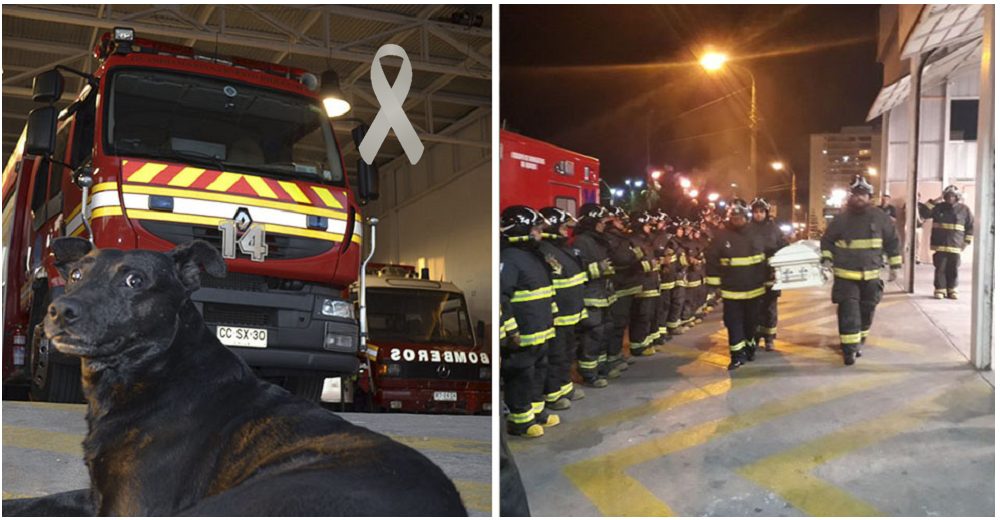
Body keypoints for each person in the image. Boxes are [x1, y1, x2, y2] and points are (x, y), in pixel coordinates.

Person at [820, 176, 902, 365]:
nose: (859, 198)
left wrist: (895, 265)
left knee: (867, 309)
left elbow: (892, 241)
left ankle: (859, 340)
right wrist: (827, 258)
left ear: (869, 196)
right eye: (856, 194)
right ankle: (849, 349)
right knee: (849, 311)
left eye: (863, 194)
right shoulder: (841, 220)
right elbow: (827, 241)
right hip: (846, 276)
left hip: (872, 275)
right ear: (851, 196)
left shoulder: (880, 217)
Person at [499, 206, 558, 438]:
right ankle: (520, 420)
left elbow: (546, 290)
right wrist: (511, 330)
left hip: (541, 330)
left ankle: (536, 411)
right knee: (521, 375)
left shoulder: (534, 255)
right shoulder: (509, 259)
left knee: (538, 371)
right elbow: (502, 297)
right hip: (523, 334)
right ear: (521, 229)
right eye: (535, 229)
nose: (539, 233)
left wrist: (552, 314)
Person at [706, 199, 769, 370]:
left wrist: (771, 275)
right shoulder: (721, 236)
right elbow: (711, 259)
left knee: (751, 322)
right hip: (731, 291)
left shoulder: (757, 234)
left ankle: (750, 348)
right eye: (734, 217)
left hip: (754, 289)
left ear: (746, 218)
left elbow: (768, 256)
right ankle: (736, 356)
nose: (737, 220)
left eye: (740, 217)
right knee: (733, 323)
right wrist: (714, 285)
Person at [537, 207, 587, 410]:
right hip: (557, 315)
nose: (567, 231)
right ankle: (553, 394)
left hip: (569, 314)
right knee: (556, 355)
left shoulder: (560, 249)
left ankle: (565, 387)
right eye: (564, 227)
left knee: (566, 353)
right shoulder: (545, 252)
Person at [572, 204, 616, 388]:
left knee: (604, 332)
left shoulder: (599, 240)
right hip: (591, 296)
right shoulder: (581, 242)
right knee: (593, 335)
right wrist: (600, 268)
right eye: (601, 222)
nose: (604, 225)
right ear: (591, 222)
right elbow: (576, 270)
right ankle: (589, 374)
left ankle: (601, 367)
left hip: (604, 294)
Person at [918, 185, 974, 299]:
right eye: (948, 196)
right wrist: (936, 200)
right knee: (940, 268)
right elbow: (923, 212)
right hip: (940, 244)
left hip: (956, 245)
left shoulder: (964, 209)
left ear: (957, 197)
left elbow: (970, 226)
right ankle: (939, 289)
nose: (950, 198)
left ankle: (952, 289)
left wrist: (966, 242)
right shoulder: (938, 207)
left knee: (953, 268)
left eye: (953, 196)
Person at [748, 197, 789, 351]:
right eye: (755, 212)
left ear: (766, 212)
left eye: (761, 212)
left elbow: (784, 247)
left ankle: (769, 339)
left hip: (771, 275)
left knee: (770, 308)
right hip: (752, 276)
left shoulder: (774, 229)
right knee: (755, 308)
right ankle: (756, 336)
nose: (758, 215)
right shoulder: (747, 229)